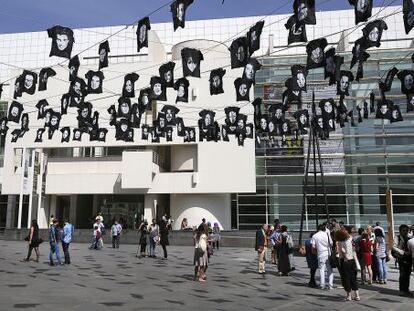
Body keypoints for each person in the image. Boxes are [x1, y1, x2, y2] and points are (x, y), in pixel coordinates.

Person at [336, 228, 360, 301]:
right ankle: (357, 295)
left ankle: (349, 296)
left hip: (345, 261)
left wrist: (345, 256)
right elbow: (354, 248)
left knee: (346, 278)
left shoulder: (340, 242)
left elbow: (343, 251)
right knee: (353, 278)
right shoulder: (351, 240)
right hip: (352, 260)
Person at [311, 223, 334, 290]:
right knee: (329, 269)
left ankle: (322, 284)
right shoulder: (327, 235)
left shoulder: (315, 236)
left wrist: (315, 252)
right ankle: (330, 285)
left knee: (321, 269)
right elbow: (331, 244)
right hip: (328, 253)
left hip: (320, 254)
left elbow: (313, 246)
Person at [392, 224, 412, 296]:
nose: (405, 232)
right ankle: (402, 290)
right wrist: (402, 252)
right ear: (400, 231)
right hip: (401, 258)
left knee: (408, 274)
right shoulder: (397, 237)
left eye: (407, 230)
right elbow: (393, 247)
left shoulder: (410, 237)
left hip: (409, 257)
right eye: (404, 230)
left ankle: (406, 289)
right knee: (402, 274)